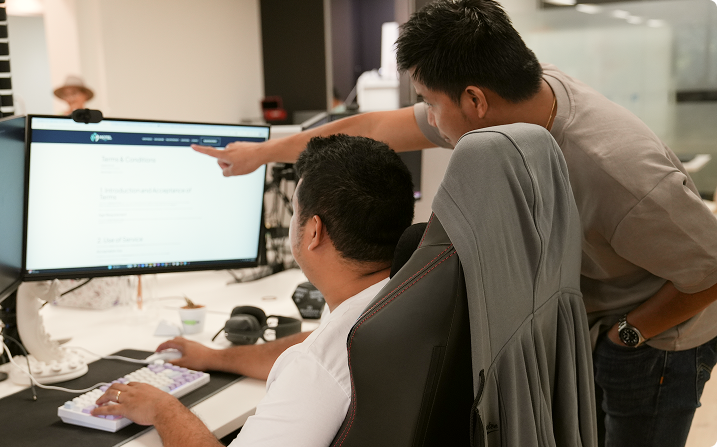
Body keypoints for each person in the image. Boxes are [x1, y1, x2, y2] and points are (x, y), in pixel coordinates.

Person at [189, 1, 717, 446]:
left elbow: (709, 273)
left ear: (474, 101)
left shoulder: (618, 171)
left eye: (427, 103)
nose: (428, 120)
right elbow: (374, 126)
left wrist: (628, 336)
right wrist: (265, 153)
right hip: (595, 313)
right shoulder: (509, 108)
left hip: (661, 334)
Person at [91, 135, 415, 446]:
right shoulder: (402, 296)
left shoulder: (317, 367)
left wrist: (163, 410)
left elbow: (318, 359)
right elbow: (316, 342)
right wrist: (213, 357)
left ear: (314, 230)